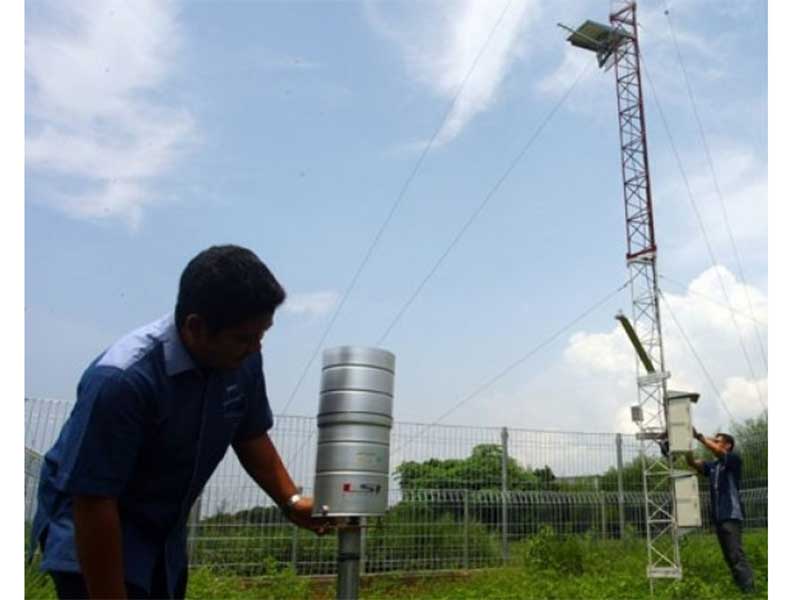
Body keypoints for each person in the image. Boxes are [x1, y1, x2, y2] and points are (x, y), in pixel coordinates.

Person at [31, 245, 333, 599]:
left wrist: (291, 500)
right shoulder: (123, 381)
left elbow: (249, 433)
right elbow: (93, 500)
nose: (256, 348)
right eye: (244, 338)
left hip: (162, 536)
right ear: (195, 327)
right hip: (91, 536)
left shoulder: (241, 360)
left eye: (262, 334)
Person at [686, 428, 755, 593]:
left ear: (728, 446)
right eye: (714, 440)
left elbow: (716, 450)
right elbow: (692, 463)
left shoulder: (733, 460)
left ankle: (749, 590)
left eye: (718, 441)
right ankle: (741, 588)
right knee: (728, 556)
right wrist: (685, 444)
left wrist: (700, 437)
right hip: (718, 517)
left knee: (736, 555)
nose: (714, 443)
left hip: (731, 515)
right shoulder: (714, 466)